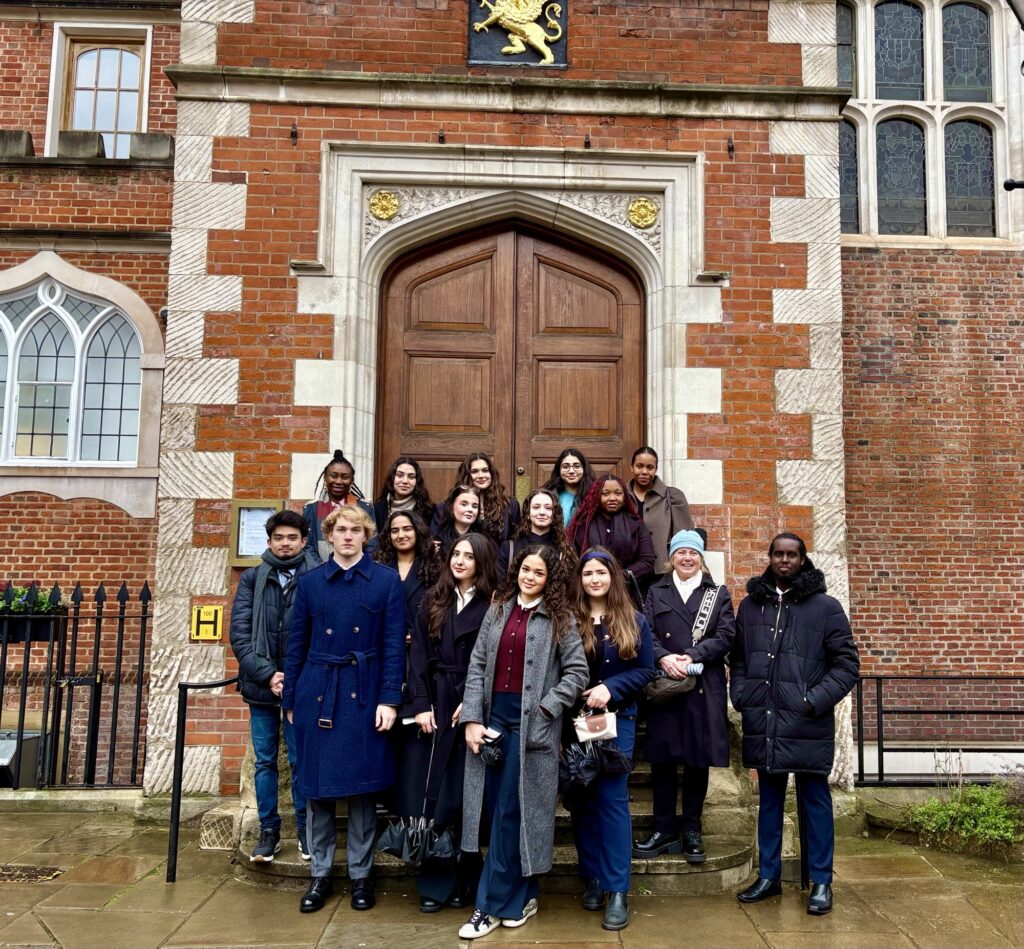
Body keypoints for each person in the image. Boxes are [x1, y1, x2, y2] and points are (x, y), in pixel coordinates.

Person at [457, 544, 589, 939]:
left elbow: (577, 673)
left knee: (513, 814)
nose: (529, 577)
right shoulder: (498, 608)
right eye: (525, 569)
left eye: (539, 573)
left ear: (550, 581)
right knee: (499, 812)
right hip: (493, 722)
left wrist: (548, 708)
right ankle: (524, 896)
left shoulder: (560, 618)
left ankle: (488, 907)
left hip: (533, 730)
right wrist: (471, 718)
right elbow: (478, 663)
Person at [283, 505, 405, 914]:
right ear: (329, 536)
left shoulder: (386, 582)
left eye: (356, 530)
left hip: (364, 692)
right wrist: (290, 700)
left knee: (362, 791)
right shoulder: (312, 583)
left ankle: (360, 875)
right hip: (318, 692)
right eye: (341, 530)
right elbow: (295, 644)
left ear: (366, 536)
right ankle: (320, 874)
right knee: (317, 789)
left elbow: (392, 648)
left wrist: (390, 699)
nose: (348, 536)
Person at [731, 532, 859, 916]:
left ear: (803, 560)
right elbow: (738, 658)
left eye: (792, 555)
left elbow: (847, 665)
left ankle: (821, 880)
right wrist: (742, 695)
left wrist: (812, 700)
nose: (784, 560)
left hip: (806, 721)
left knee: (814, 802)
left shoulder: (826, 607)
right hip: (765, 719)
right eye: (778, 554)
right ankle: (768, 876)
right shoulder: (751, 607)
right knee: (768, 802)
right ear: (769, 558)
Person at [406, 533, 499, 912]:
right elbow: (416, 659)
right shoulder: (433, 599)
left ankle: (470, 881)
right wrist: (421, 704)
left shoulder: (496, 604)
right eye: (455, 554)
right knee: (436, 796)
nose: (459, 561)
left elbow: (495, 660)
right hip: (437, 705)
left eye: (468, 556)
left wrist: (473, 703)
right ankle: (436, 881)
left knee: (470, 797)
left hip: (475, 709)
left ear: (482, 562)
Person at [634, 530, 735, 865]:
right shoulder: (655, 590)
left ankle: (692, 829)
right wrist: (662, 657)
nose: (687, 558)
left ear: (701, 558)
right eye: (681, 553)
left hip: (702, 686)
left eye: (693, 553)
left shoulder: (716, 593)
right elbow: (644, 632)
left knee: (697, 760)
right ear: (671, 557)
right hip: (665, 684)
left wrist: (691, 655)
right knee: (663, 760)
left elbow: (725, 636)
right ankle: (663, 830)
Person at [567, 547, 655, 931]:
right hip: (576, 723)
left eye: (600, 572)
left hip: (618, 721)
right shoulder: (569, 618)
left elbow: (647, 670)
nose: (594, 579)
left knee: (612, 801)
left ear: (612, 576)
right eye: (587, 574)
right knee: (581, 800)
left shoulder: (634, 619)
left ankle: (618, 889)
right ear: (581, 579)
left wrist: (611, 687)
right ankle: (593, 877)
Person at [229, 510, 320, 864]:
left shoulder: (316, 578)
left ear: (303, 540)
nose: (285, 543)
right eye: (279, 538)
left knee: (301, 761)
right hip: (261, 686)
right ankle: (269, 832)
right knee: (265, 762)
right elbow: (239, 633)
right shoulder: (253, 579)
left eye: (292, 538)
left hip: (301, 687)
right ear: (268, 542)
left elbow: (320, 631)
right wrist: (268, 674)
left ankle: (305, 830)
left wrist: (294, 678)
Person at [373, 511, 441, 814]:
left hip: (420, 658)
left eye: (407, 529)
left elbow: (442, 608)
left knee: (414, 728)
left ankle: (410, 800)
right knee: (384, 727)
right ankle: (383, 795)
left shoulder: (435, 567)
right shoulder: (377, 568)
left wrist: (421, 633)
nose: (401, 534)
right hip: (383, 655)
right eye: (395, 530)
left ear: (418, 531)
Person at [566, 475, 656, 597]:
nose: (612, 498)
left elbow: (647, 561)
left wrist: (618, 577)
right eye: (605, 494)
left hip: (626, 594)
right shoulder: (582, 525)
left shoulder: (636, 524)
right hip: (588, 593)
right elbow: (571, 561)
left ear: (625, 496)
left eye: (618, 493)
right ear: (596, 496)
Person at [627, 447, 693, 595]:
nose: (644, 472)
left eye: (650, 467)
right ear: (632, 467)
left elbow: (684, 537)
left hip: (662, 574)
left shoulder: (673, 496)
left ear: (656, 469)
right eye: (639, 466)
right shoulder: (621, 495)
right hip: (629, 573)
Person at [302, 449, 375, 562]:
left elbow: (372, 544)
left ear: (351, 481)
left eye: (345, 477)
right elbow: (307, 545)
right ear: (325, 478)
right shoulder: (311, 508)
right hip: (320, 572)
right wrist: (321, 569)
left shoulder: (365, 508)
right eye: (333, 476)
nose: (339, 481)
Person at [496, 487, 577, 579]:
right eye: (536, 507)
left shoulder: (566, 550)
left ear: (555, 514)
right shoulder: (509, 548)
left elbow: (571, 588)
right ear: (528, 513)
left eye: (548, 508)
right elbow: (501, 587)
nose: (542, 512)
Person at [454, 453, 520, 545]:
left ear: (491, 474)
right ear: (466, 475)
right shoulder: (453, 504)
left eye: (485, 470)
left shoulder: (510, 505)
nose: (481, 475)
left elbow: (515, 541)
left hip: (498, 558)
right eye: (474, 471)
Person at [373, 455, 435, 533]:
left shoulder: (428, 511)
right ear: (392, 478)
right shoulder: (378, 508)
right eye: (400, 475)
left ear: (417, 482)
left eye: (411, 477)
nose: (405, 481)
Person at [432, 485, 493, 554]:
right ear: (452, 507)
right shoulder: (438, 539)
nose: (470, 510)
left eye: (474, 506)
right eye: (464, 504)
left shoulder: (484, 539)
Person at [543, 448, 595, 527]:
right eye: (565, 467)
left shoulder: (594, 496)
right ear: (559, 470)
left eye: (577, 466)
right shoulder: (547, 495)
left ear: (584, 469)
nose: (571, 471)